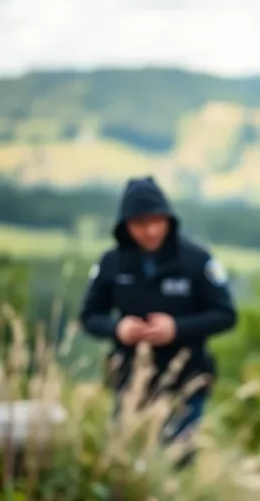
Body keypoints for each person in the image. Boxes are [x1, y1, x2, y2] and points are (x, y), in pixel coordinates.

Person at [79, 176, 237, 460]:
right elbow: (89, 316)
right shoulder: (111, 263)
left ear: (168, 220)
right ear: (126, 225)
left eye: (156, 221)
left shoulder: (196, 260)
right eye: (140, 223)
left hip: (187, 379)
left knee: (177, 461)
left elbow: (226, 315)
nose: (150, 231)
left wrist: (176, 328)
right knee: (125, 458)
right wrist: (118, 329)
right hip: (130, 379)